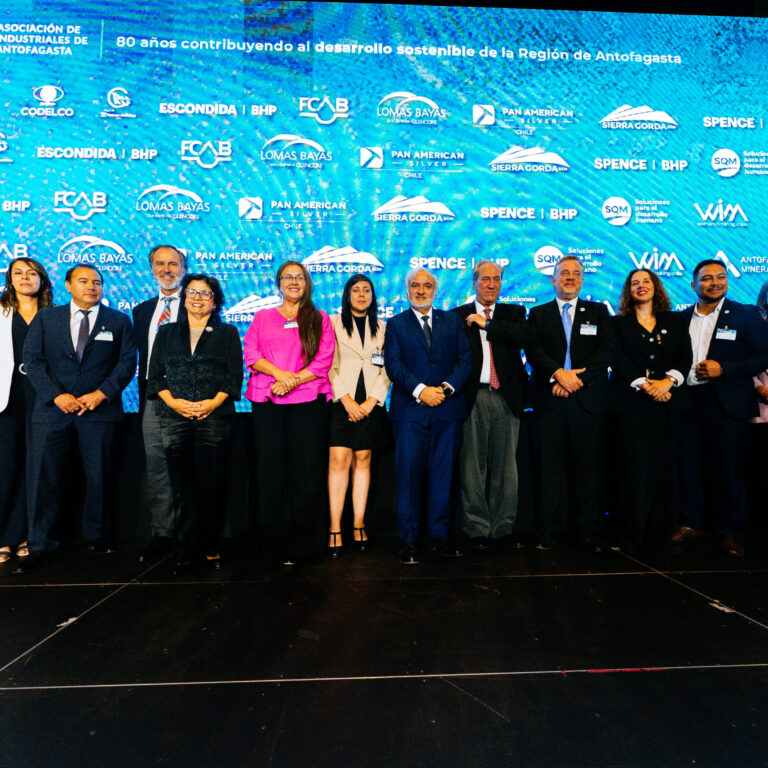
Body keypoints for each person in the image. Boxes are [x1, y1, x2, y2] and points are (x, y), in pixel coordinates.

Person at [16, 264, 136, 573]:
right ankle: (39, 544)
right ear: (68, 285)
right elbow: (33, 360)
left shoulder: (118, 320)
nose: (91, 287)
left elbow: (126, 363)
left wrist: (102, 394)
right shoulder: (47, 318)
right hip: (53, 411)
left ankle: (98, 536)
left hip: (100, 411)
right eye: (83, 281)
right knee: (43, 478)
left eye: (97, 282)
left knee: (100, 476)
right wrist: (56, 396)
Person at [147, 274, 242, 574]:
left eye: (205, 293)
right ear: (184, 297)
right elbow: (155, 376)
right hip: (175, 417)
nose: (198, 298)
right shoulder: (166, 332)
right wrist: (174, 402)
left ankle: (211, 546)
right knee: (182, 487)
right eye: (192, 292)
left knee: (211, 485)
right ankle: (187, 549)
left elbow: (234, 376)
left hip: (214, 417)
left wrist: (212, 403)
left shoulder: (227, 333)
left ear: (215, 301)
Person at [674, 259, 768, 557]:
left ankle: (732, 531)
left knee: (730, 469)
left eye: (720, 277)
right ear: (693, 285)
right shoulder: (680, 318)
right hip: (688, 401)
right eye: (707, 278)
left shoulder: (746, 314)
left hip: (728, 403)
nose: (714, 282)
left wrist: (724, 369)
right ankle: (691, 523)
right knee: (689, 465)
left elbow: (763, 355)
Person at [244, 261, 335, 565]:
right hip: (267, 401)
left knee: (305, 473)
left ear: (307, 283)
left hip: (307, 402)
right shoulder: (262, 317)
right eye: (288, 277)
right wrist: (280, 375)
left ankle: (304, 545)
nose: (294, 282)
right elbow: (251, 354)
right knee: (270, 473)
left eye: (300, 277)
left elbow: (323, 360)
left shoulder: (320, 318)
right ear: (279, 283)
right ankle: (272, 545)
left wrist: (292, 381)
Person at [526, 255, 615, 550]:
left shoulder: (598, 312)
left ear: (583, 279)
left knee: (588, 468)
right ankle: (547, 529)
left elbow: (606, 351)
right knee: (548, 468)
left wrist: (576, 380)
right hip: (550, 401)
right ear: (553, 279)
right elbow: (534, 351)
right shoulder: (538, 314)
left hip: (587, 402)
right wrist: (558, 375)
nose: (570, 278)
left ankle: (589, 529)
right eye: (564, 273)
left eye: (576, 273)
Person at [384, 267, 472, 565]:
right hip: (410, 413)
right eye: (415, 285)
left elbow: (465, 360)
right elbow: (394, 365)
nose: (421, 291)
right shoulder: (395, 324)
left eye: (426, 286)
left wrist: (444, 389)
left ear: (436, 290)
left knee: (443, 477)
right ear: (407, 289)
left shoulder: (452, 321)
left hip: (447, 411)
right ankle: (409, 541)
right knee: (408, 479)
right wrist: (422, 391)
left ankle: (439, 537)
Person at [610, 269, 691, 552]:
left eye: (646, 281)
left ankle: (661, 535)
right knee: (634, 470)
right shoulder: (617, 323)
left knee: (666, 470)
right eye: (635, 283)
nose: (641, 286)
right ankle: (632, 534)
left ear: (656, 286)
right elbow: (616, 359)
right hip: (632, 407)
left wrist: (667, 383)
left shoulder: (675, 320)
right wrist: (646, 386)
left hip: (669, 404)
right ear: (628, 290)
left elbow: (685, 357)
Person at [457, 260, 530, 550]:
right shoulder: (459, 315)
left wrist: (486, 324)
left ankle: (503, 528)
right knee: (472, 467)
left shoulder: (514, 313)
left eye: (496, 279)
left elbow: (523, 337)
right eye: (485, 279)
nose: (491, 284)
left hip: (506, 398)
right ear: (474, 283)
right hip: (473, 397)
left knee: (506, 468)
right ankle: (476, 529)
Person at [327, 275, 390, 555]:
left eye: (367, 290)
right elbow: (327, 365)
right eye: (356, 290)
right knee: (339, 460)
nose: (362, 294)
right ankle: (335, 527)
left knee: (363, 460)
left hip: (371, 405)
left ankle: (359, 523)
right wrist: (347, 401)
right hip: (341, 402)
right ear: (347, 295)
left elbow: (388, 369)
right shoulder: (332, 323)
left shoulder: (384, 327)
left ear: (373, 297)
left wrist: (371, 402)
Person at [133, 245, 188, 562]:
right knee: (157, 469)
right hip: (153, 399)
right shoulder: (141, 311)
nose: (166, 269)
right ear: (151, 268)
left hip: (189, 400)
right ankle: (163, 533)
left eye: (173, 264)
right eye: (160, 264)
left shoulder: (198, 304)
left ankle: (189, 532)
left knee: (187, 467)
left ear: (183, 268)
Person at [0, 258, 53, 565]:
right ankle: (6, 536)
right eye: (18, 273)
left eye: (31, 273)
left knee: (39, 469)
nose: (24, 278)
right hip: (7, 400)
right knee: (7, 467)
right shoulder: (1, 310)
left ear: (42, 279)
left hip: (44, 398)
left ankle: (31, 536)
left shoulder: (53, 314)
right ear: (10, 279)